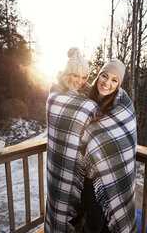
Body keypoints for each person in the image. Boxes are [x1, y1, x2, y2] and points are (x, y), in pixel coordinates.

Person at [69, 59, 138, 233]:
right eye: (105, 76)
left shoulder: (123, 105)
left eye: (114, 80)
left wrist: (100, 158)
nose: (107, 83)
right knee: (81, 214)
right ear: (98, 75)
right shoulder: (85, 97)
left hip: (105, 175)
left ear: (119, 83)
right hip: (83, 170)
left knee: (98, 222)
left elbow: (125, 142)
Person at [44, 47, 98, 233]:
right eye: (76, 76)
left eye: (84, 77)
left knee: (77, 210)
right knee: (60, 208)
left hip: (79, 165)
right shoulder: (55, 95)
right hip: (59, 162)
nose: (80, 82)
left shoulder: (87, 98)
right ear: (68, 74)